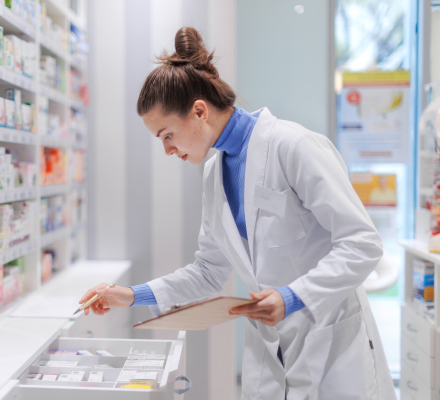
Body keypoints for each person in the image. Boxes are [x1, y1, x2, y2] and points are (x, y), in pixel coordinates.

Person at [78, 27, 396, 399]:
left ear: (199, 110)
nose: (167, 150)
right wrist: (131, 295)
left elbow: (363, 244)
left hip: (331, 339)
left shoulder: (293, 145)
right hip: (271, 348)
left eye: (167, 135)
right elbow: (208, 271)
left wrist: (292, 297)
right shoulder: (215, 171)